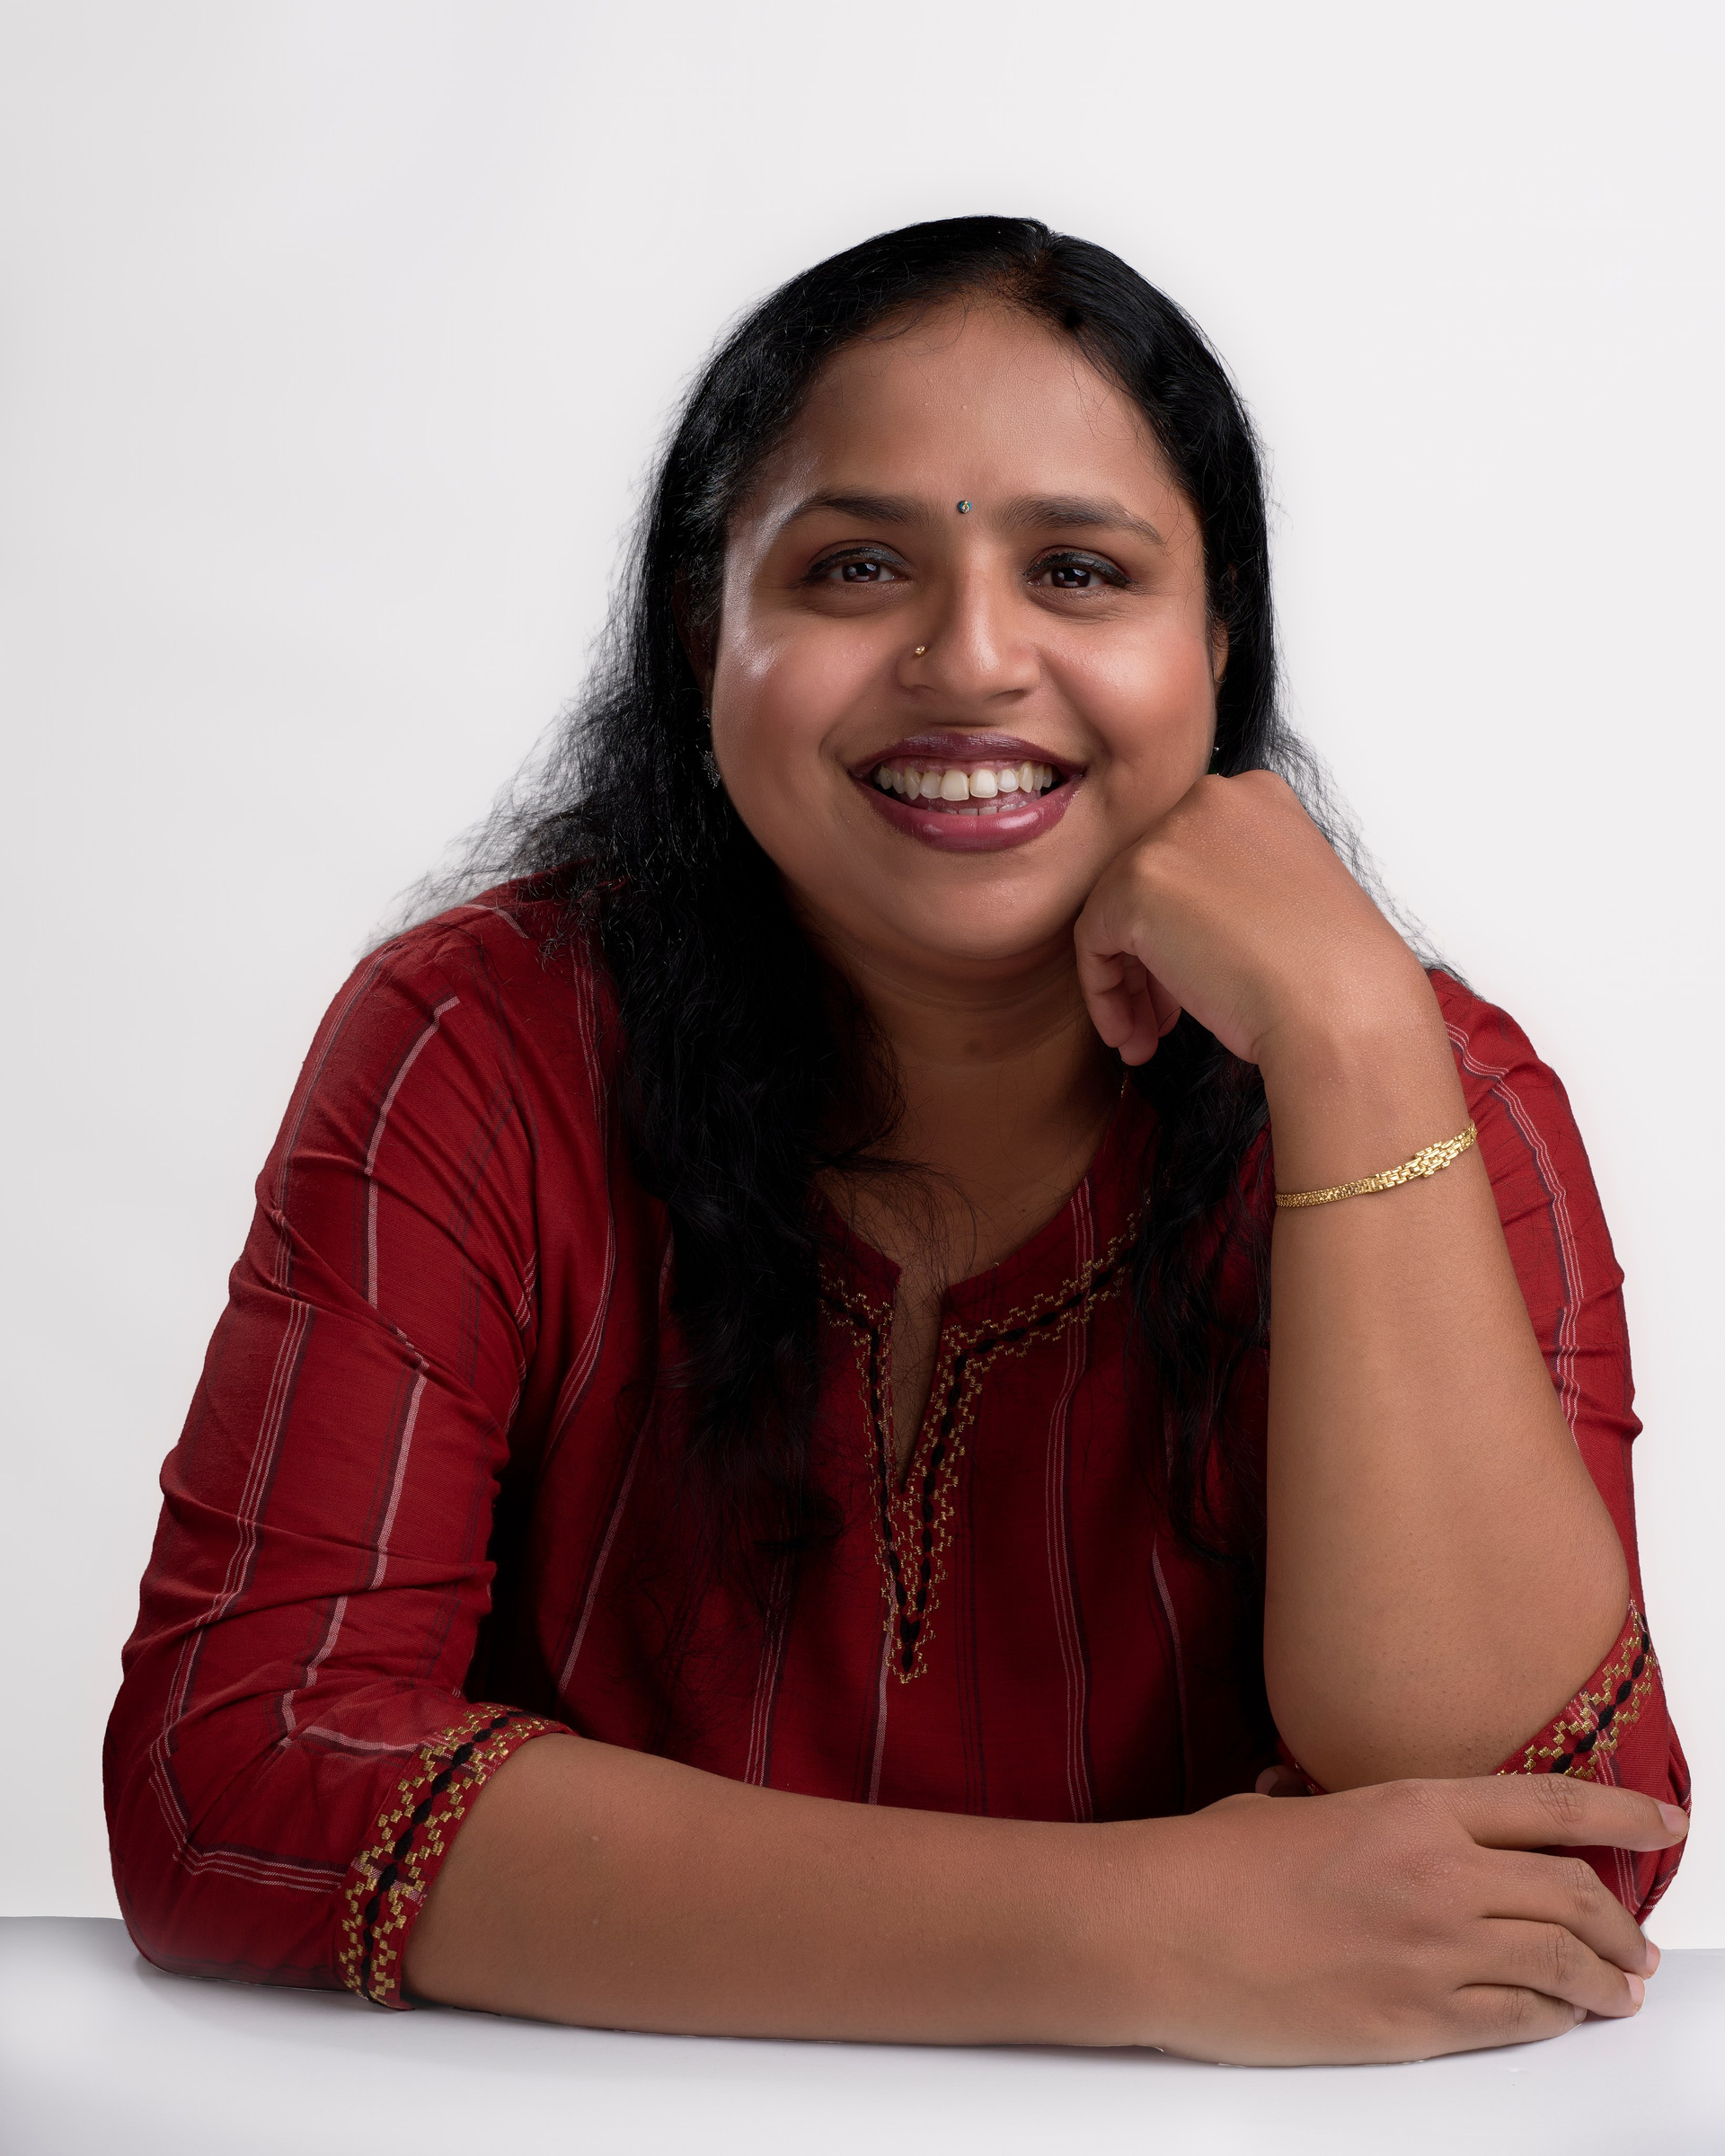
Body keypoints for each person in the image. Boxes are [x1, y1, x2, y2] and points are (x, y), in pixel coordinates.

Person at [103, 216, 1689, 2064]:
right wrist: (1146, 1934)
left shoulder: (1425, 1083)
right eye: (857, 566)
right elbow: (239, 1775)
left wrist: (1349, 1041)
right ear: (704, 632)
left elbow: (1550, 1867)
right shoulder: (488, 1045)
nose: (972, 659)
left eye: (1079, 571)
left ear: (1216, 644)